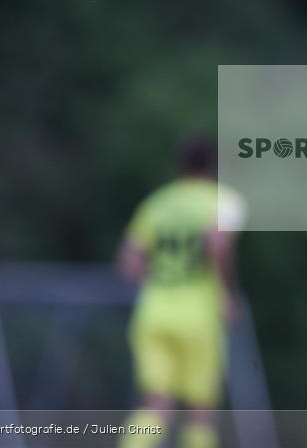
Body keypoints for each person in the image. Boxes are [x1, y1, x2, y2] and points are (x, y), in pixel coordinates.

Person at [117, 134, 247, 448]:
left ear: (179, 165)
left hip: (153, 312)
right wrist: (227, 294)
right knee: (200, 411)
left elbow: (128, 263)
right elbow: (218, 245)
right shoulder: (222, 200)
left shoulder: (157, 203)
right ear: (212, 166)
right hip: (198, 314)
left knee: (156, 405)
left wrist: (161, 277)